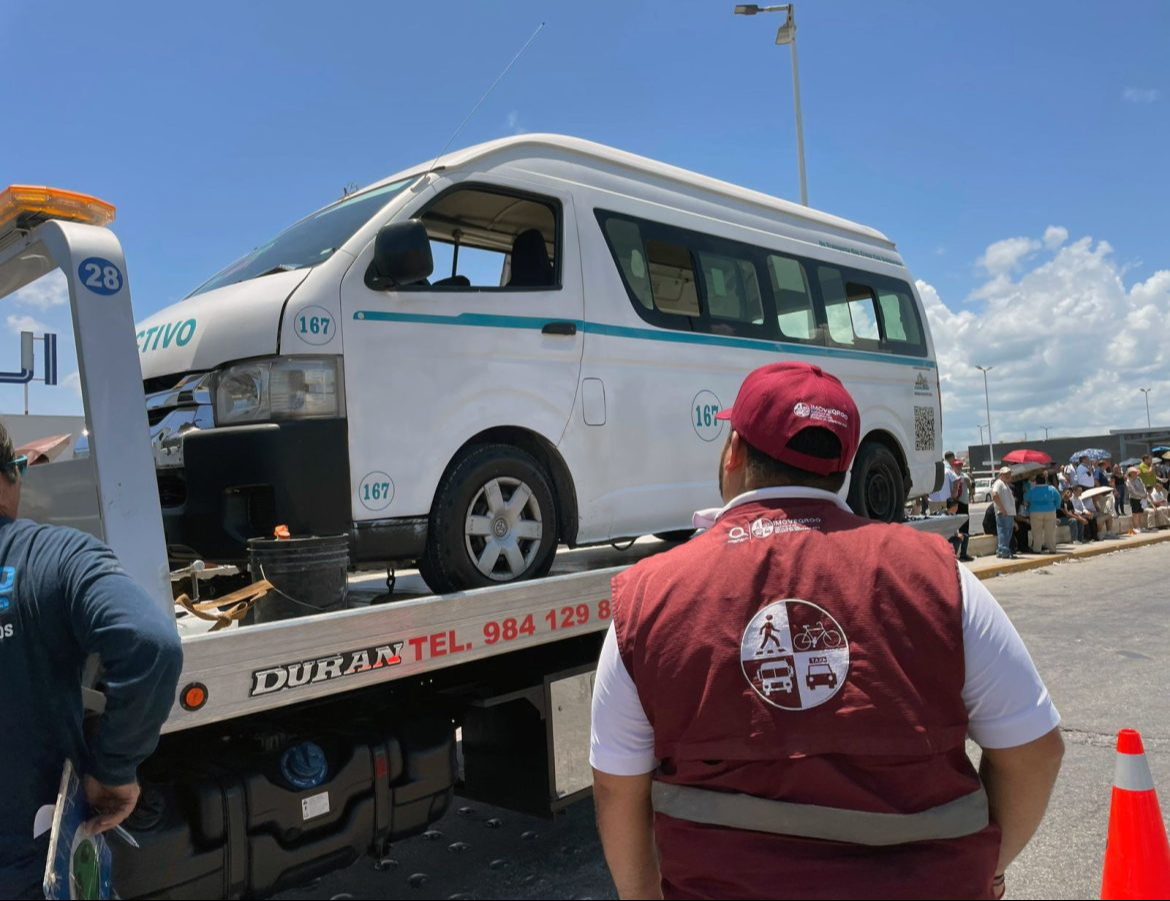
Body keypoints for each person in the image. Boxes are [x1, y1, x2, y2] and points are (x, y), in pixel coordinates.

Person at [590, 362, 1063, 901]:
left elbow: (615, 785)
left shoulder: (650, 595)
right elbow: (1035, 751)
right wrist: (984, 868)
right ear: (840, 468)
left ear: (734, 453)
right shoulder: (937, 575)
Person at [0, 422, 184, 899]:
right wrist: (113, 770)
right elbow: (151, 645)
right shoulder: (54, 556)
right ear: (12, 475)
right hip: (33, 867)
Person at [1024, 474, 1062, 553]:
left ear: (1036, 481)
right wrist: (1056, 506)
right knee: (1050, 531)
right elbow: (1058, 498)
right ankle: (1052, 549)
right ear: (1045, 480)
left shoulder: (1033, 490)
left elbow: (1026, 497)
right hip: (1050, 511)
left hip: (1035, 511)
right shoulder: (1052, 489)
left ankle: (1037, 549)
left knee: (1036, 531)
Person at [991, 466, 1018, 559]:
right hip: (1003, 513)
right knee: (1004, 533)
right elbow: (994, 495)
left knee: (1007, 533)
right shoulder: (998, 483)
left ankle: (1001, 551)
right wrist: (1002, 509)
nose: (1008, 476)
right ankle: (1004, 551)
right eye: (1006, 474)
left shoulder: (1005, 484)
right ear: (1001, 475)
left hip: (1008, 513)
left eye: (1009, 474)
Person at [952, 458, 974, 561]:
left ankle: (963, 553)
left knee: (965, 530)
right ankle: (953, 554)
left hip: (964, 504)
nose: (959, 467)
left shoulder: (965, 476)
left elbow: (971, 488)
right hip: (955, 504)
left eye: (960, 465)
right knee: (954, 530)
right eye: (957, 465)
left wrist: (969, 481)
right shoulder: (951, 475)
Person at [1125, 467, 1149, 533]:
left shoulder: (1139, 479)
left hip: (1142, 498)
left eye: (1136, 473)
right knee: (1135, 513)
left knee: (1140, 513)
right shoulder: (1128, 481)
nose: (1135, 474)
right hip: (1134, 498)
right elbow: (1133, 491)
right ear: (1130, 474)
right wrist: (1142, 495)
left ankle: (1140, 526)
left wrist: (1145, 493)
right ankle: (1136, 527)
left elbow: (1143, 486)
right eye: (1134, 473)